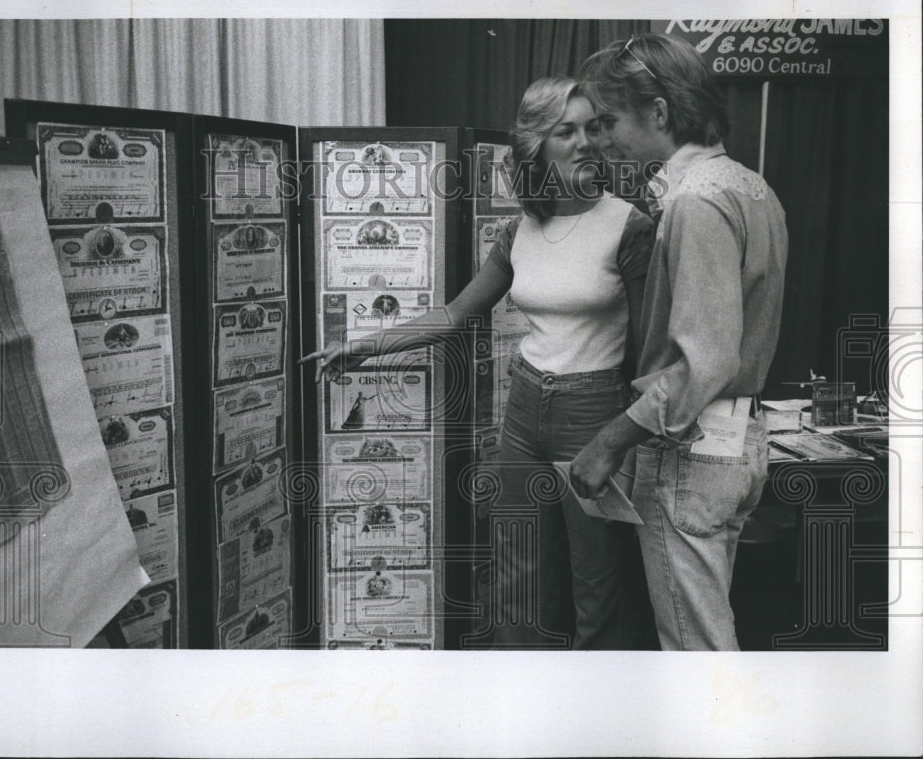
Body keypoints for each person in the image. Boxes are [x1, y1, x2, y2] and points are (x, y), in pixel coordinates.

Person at [299, 76, 654, 649]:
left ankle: (594, 715)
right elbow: (453, 315)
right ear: (537, 146)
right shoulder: (520, 229)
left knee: (597, 578)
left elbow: (650, 350)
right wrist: (364, 346)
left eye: (593, 128)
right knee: (517, 572)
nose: (586, 142)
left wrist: (627, 437)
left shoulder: (629, 225)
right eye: (567, 131)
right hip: (524, 409)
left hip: (593, 410)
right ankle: (514, 705)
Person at [572, 33, 789, 650]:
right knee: (706, 635)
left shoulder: (695, 203)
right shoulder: (753, 188)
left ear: (660, 112)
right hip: (740, 444)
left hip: (690, 452)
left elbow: (707, 360)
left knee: (695, 648)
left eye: (609, 120)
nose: (599, 139)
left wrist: (611, 440)